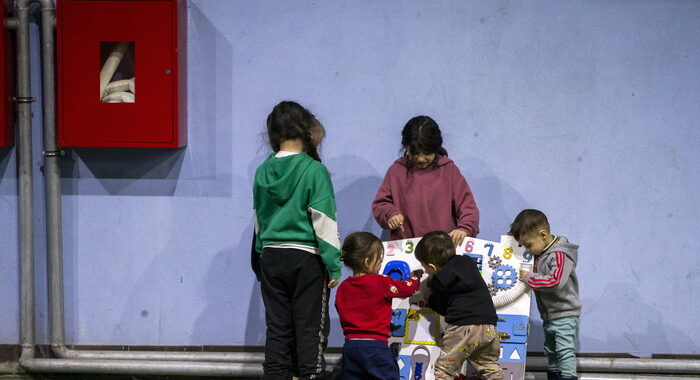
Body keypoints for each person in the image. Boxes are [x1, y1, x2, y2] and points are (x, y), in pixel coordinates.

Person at [253, 100, 341, 380]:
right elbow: (324, 222)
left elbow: (259, 218)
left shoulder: (262, 171)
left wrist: (261, 255)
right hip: (306, 259)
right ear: (305, 129)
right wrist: (334, 265)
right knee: (310, 329)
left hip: (270, 256)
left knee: (278, 328)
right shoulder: (314, 170)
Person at [372, 115, 479, 246]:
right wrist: (390, 214)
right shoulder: (396, 171)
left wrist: (465, 228)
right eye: (415, 153)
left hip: (441, 250)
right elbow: (381, 204)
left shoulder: (449, 171)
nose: (421, 159)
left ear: (436, 148)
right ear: (406, 148)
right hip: (406, 249)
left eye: (426, 153)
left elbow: (468, 207)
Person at [415, 231, 504, 380]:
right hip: (489, 326)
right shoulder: (467, 263)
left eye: (425, 268)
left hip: (462, 328)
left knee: (444, 370)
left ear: (432, 266)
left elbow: (442, 309)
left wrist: (429, 297)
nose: (426, 271)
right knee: (490, 366)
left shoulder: (438, 282)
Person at [334, 232, 423, 380]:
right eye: (379, 260)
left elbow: (340, 307)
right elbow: (408, 288)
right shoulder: (381, 282)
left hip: (350, 346)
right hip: (375, 347)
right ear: (368, 262)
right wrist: (415, 276)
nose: (381, 264)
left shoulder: (343, 287)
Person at [510, 209, 581, 380]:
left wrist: (529, 277)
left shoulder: (559, 254)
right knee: (551, 352)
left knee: (564, 352)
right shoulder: (541, 254)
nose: (527, 250)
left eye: (528, 245)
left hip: (565, 314)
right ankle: (554, 376)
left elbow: (555, 282)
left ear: (542, 235)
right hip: (549, 316)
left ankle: (568, 377)